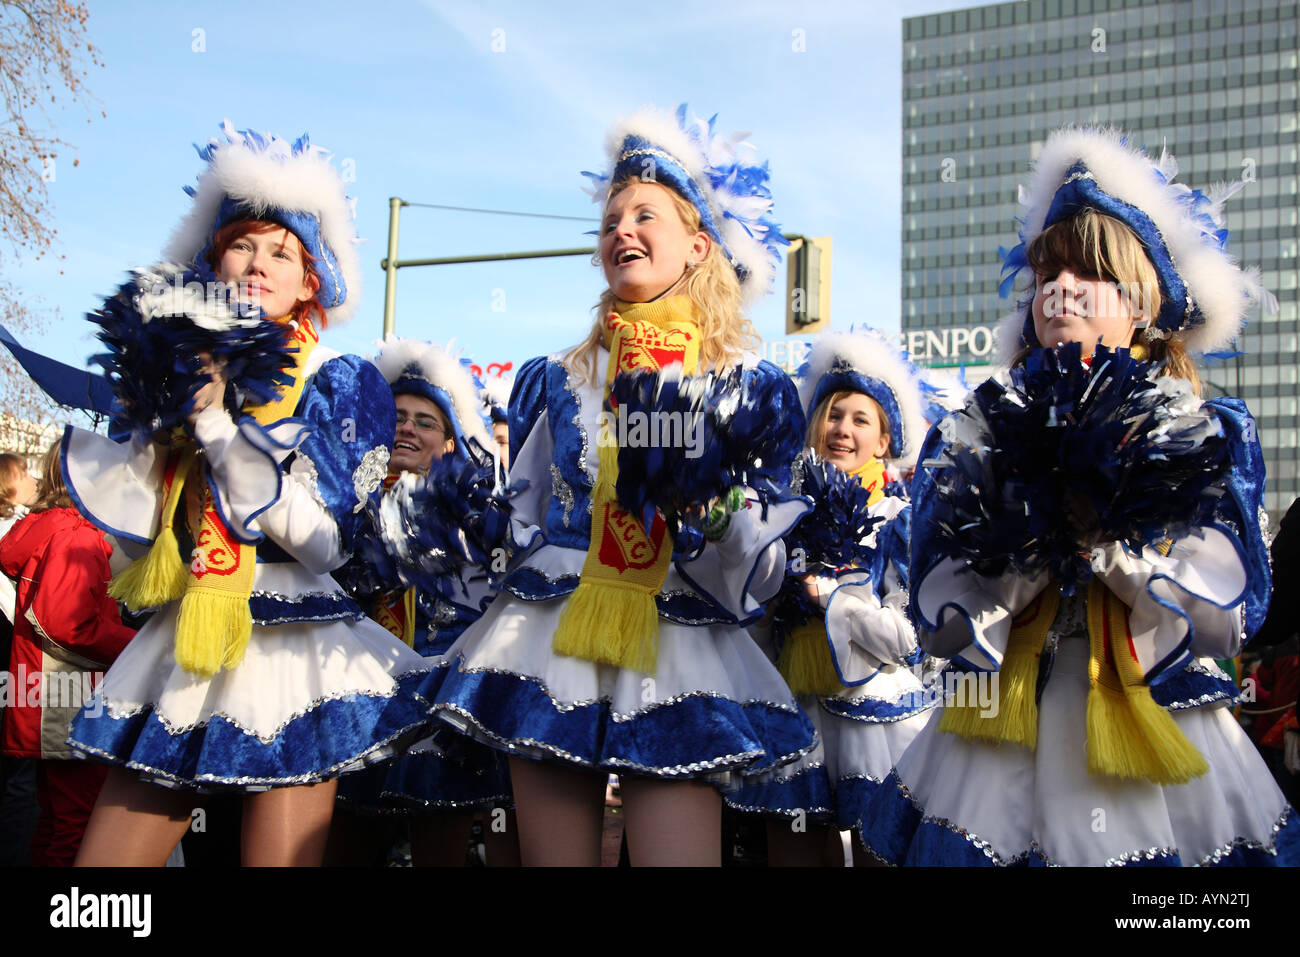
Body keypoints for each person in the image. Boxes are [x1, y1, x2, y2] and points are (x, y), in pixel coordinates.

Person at [862, 128, 1298, 866]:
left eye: (1089, 271)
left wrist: (1109, 545)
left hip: (1154, 728)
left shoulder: (1198, 429)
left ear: (1144, 307)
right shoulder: (979, 430)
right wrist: (1027, 547)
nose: (1061, 286)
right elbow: (942, 607)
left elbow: (1227, 611)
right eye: (1047, 272)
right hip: (999, 719)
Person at [430, 106, 815, 866]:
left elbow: (762, 575)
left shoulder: (750, 388)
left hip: (676, 640)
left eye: (646, 214)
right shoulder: (553, 379)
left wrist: (709, 509)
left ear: (698, 245)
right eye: (610, 220)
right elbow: (520, 517)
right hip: (549, 633)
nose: (622, 231)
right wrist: (453, 524)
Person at [61, 123, 432, 867]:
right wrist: (159, 427)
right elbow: (141, 544)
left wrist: (219, 428)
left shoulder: (339, 379)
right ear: (212, 260)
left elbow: (324, 541)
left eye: (281, 251)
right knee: (98, 886)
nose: (258, 263)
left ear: (311, 281)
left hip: (297, 648)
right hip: (186, 632)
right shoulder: (178, 366)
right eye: (242, 244)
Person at [725, 328, 938, 866]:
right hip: (796, 714)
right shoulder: (782, 514)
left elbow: (909, 639)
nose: (842, 430)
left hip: (877, 720)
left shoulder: (900, 521)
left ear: (885, 442)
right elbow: (756, 625)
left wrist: (830, 601)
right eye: (833, 415)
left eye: (861, 420)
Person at [331, 337, 515, 866]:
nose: (407, 426)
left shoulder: (481, 513)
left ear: (450, 442)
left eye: (424, 420)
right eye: (397, 415)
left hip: (439, 700)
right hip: (351, 698)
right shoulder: (340, 502)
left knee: (440, 840)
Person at [0, 442, 136, 865]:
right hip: (64, 699)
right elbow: (65, 624)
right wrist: (137, 646)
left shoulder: (57, 527)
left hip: (51, 695)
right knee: (79, 824)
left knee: (59, 820)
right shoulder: (74, 534)